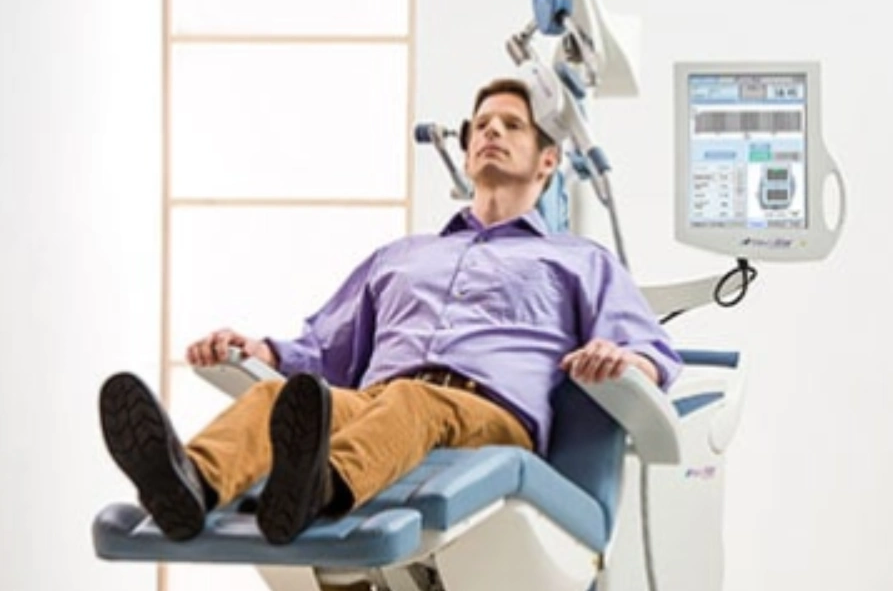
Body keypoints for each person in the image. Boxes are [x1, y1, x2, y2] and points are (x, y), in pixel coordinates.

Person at [98, 77, 681, 546]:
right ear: (466, 148)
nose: (491, 133)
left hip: (487, 417)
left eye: (511, 125)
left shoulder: (579, 260)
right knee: (274, 396)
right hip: (374, 403)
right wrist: (259, 352)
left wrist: (622, 356)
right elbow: (323, 351)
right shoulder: (401, 257)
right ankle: (187, 486)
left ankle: (320, 489)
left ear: (548, 161)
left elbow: (654, 355)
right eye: (480, 126)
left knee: (413, 400)